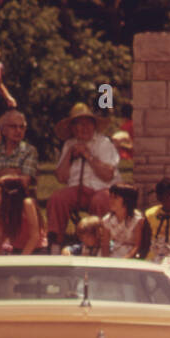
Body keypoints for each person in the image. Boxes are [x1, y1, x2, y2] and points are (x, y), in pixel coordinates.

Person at [46, 103, 120, 252]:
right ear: (73, 128)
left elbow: (108, 175)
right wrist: (69, 155)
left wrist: (87, 155)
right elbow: (61, 177)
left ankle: (101, 243)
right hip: (76, 190)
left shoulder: (104, 143)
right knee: (57, 199)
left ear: (94, 126)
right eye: (80, 124)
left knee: (101, 200)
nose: (85, 128)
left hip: (101, 188)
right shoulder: (69, 144)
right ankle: (55, 244)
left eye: (88, 123)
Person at [0, 110, 39, 187]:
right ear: (3, 130)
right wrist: (8, 172)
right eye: (13, 126)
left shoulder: (29, 151)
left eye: (22, 127)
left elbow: (24, 182)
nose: (18, 130)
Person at [0, 175, 44, 255]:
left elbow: (35, 236)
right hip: (17, 250)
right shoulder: (1, 208)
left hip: (36, 249)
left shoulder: (27, 204)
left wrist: (21, 259)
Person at [102, 184, 146, 259]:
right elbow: (105, 244)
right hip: (113, 255)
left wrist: (124, 260)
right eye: (110, 197)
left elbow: (137, 246)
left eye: (115, 198)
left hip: (131, 257)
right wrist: (106, 260)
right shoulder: (107, 220)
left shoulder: (137, 220)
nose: (111, 200)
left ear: (127, 200)